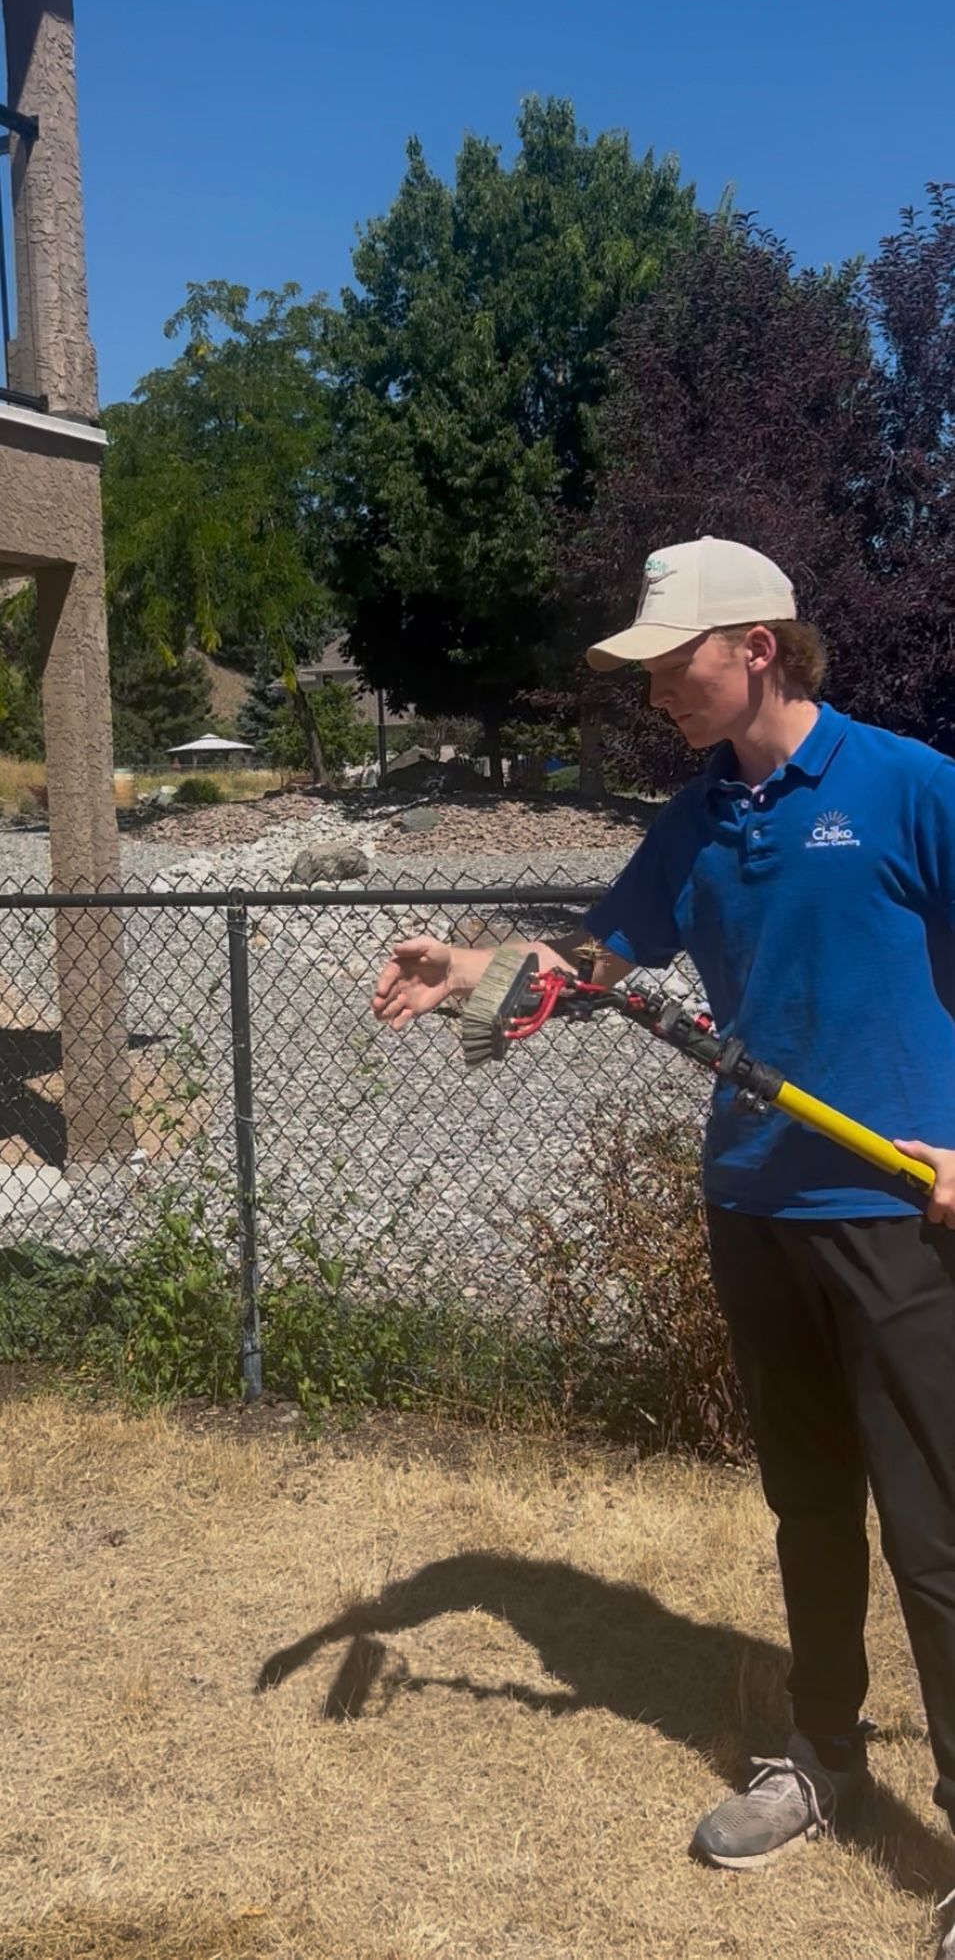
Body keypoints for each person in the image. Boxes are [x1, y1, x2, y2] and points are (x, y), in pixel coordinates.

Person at [372, 536, 955, 1953]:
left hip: (893, 1213)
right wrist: (475, 964)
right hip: (752, 1205)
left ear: (756, 644)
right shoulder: (695, 820)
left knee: (937, 1539)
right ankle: (821, 1757)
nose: (655, 694)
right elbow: (599, 961)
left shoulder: (909, 786)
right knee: (809, 1511)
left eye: (670, 663)